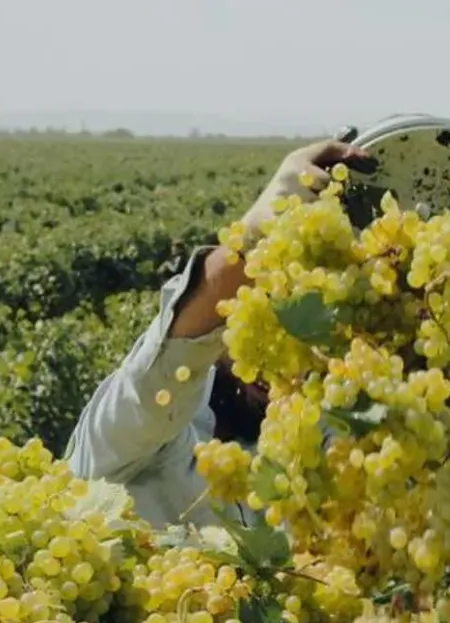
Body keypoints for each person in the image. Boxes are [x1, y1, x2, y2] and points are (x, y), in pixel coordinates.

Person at [65, 138, 375, 528]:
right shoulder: (143, 426)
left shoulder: (332, 443)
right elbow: (163, 367)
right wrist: (251, 239)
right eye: (269, 321)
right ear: (233, 308)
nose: (284, 357)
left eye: (312, 333)